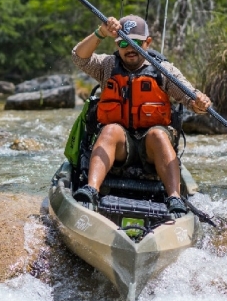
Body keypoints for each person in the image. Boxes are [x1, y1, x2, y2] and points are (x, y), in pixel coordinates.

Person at [71, 14, 212, 214]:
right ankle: (91, 190)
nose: (129, 48)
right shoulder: (107, 66)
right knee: (109, 130)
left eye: (136, 42)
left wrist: (200, 101)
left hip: (152, 147)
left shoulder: (163, 70)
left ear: (147, 42)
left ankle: (174, 199)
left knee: (158, 135)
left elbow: (190, 98)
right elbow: (79, 57)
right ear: (117, 44)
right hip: (120, 146)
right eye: (124, 43)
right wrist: (101, 32)